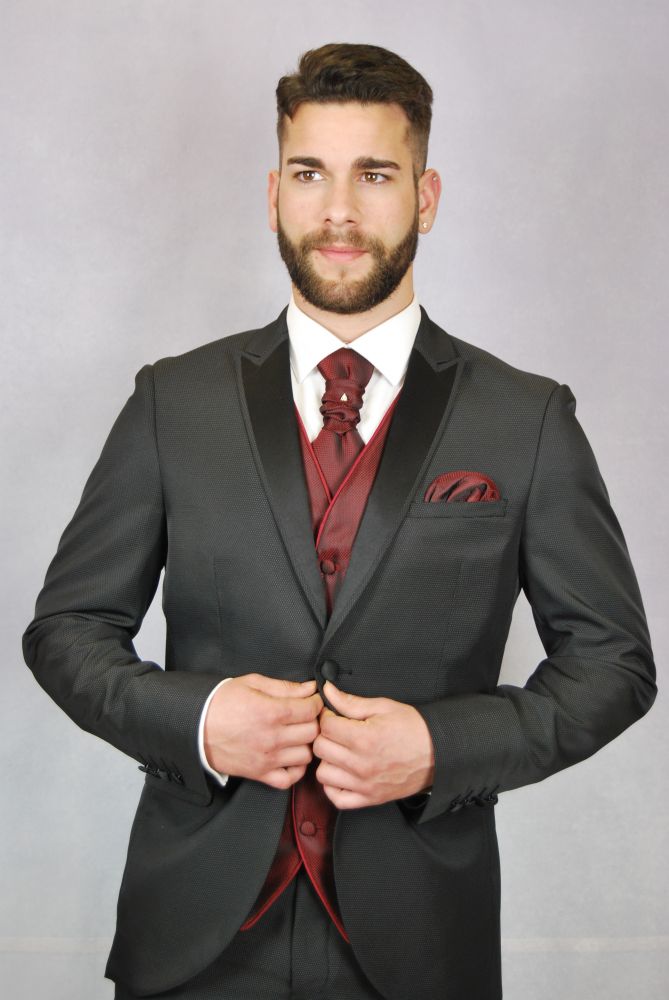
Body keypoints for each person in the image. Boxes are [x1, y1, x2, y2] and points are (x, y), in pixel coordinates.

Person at [23, 42, 656, 1000]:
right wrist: (202, 721)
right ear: (274, 192)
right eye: (311, 174)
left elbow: (613, 664)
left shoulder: (524, 419)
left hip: (418, 945)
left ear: (426, 197)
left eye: (376, 175)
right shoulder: (172, 402)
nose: (339, 212)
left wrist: (440, 748)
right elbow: (67, 630)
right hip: (194, 938)